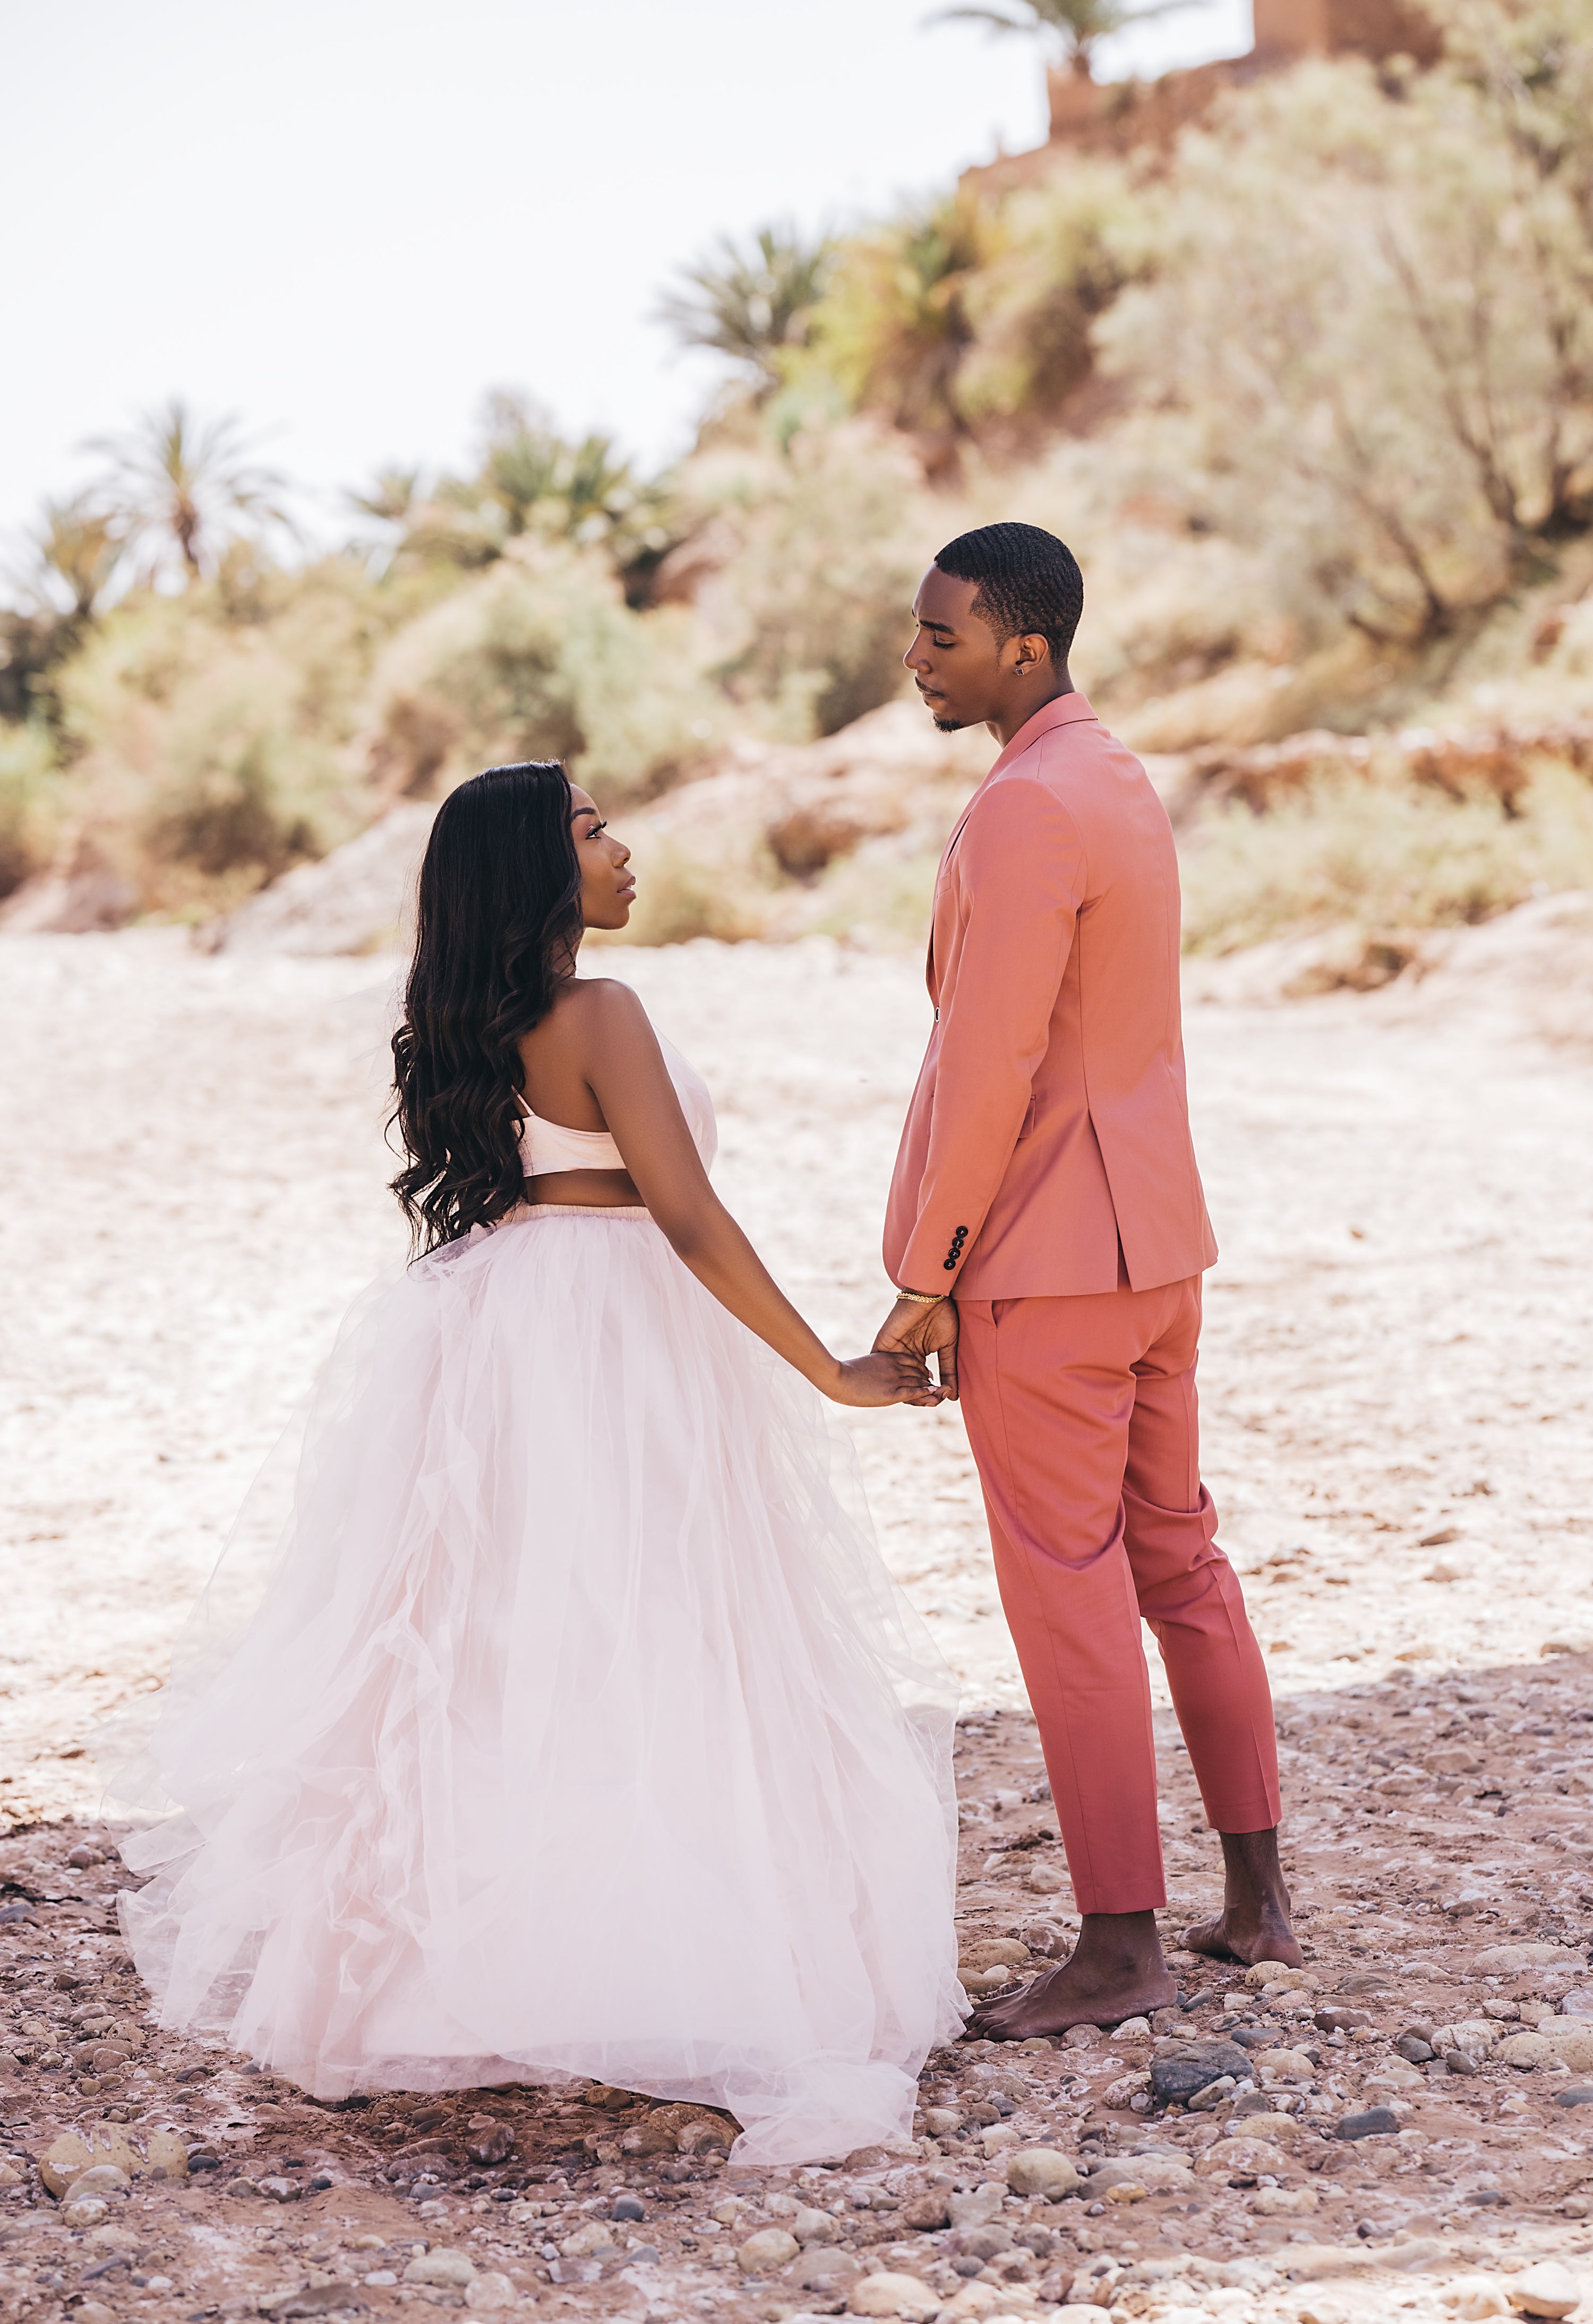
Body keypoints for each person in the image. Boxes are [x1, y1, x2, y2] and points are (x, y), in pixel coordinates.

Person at [111, 761, 965, 2164]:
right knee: (666, 1631)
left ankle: (467, 1975)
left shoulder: (475, 1018)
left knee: (504, 1650)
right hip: (618, 1331)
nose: (626, 850)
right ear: (540, 871)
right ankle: (674, 1964)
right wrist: (827, 1366)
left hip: (509, 1326)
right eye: (594, 832)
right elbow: (685, 1216)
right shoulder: (604, 1011)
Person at [875, 521, 1301, 2037]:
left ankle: (1122, 1942)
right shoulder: (1117, 777)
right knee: (1178, 1557)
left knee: (1069, 1591)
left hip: (1043, 1266)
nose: (914, 659)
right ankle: (1257, 1895)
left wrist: (929, 1268)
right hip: (1157, 1252)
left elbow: (989, 1061)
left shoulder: (1022, 807)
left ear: (1023, 649)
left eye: (940, 638)